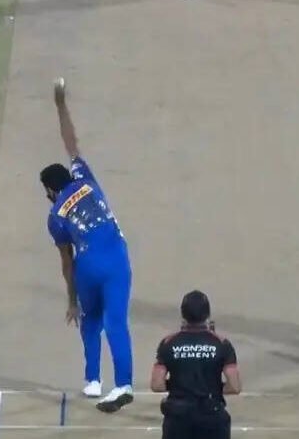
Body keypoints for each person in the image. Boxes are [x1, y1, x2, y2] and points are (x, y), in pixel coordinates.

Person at [42, 77, 135, 412]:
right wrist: (60, 104)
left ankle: (92, 380)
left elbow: (67, 262)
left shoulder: (55, 215)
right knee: (116, 323)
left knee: (90, 318)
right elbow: (71, 143)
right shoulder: (84, 177)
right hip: (116, 259)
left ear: (50, 190)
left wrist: (71, 300)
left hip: (88, 267)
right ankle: (123, 384)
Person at [150, 290, 241, 439]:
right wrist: (212, 388)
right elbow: (235, 386)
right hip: (212, 416)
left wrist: (181, 385)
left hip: (178, 417)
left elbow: (157, 385)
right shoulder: (222, 343)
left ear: (183, 314)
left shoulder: (168, 343)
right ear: (207, 314)